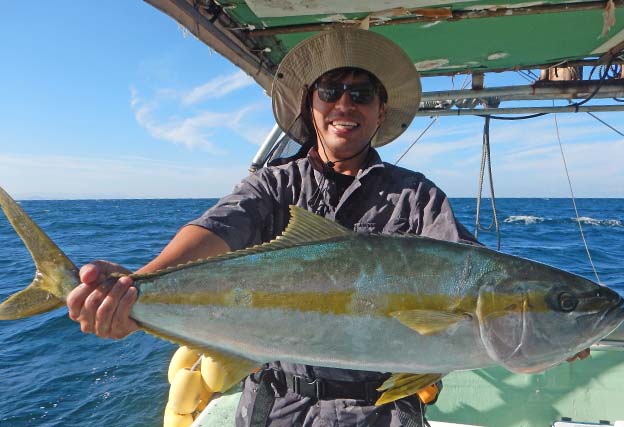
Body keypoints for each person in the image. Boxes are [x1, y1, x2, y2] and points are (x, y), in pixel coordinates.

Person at [66, 29, 583, 426]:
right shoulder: (272, 185)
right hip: (276, 404)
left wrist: (548, 333)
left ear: (380, 112)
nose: (345, 103)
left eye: (361, 95)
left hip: (381, 412)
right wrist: (137, 286)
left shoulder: (417, 195)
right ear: (311, 106)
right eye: (331, 91)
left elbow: (463, 275)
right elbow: (219, 227)